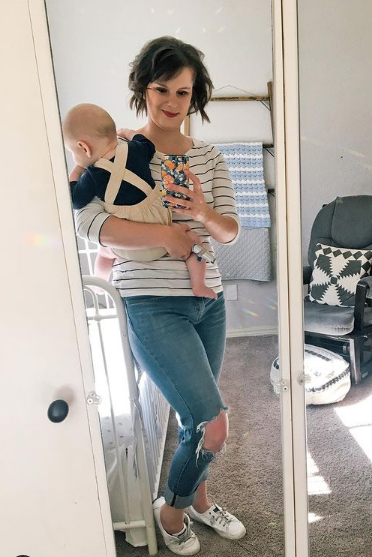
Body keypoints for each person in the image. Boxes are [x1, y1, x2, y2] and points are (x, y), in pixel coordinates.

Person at [74, 36, 245, 555]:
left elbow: (231, 231)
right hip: (150, 303)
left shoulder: (210, 158)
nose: (172, 101)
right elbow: (90, 224)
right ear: (142, 89)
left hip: (207, 302)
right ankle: (170, 510)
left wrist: (202, 213)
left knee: (200, 417)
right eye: (162, 88)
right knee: (213, 424)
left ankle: (196, 498)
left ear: (196, 96)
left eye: (184, 91)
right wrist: (164, 237)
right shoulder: (122, 150)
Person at [63, 103, 217, 299]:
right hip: (164, 228)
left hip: (129, 247)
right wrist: (128, 132)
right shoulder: (135, 150)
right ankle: (199, 285)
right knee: (194, 241)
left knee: (104, 252)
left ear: (83, 147)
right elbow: (147, 144)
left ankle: (99, 286)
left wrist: (77, 170)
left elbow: (75, 200)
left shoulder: (92, 176)